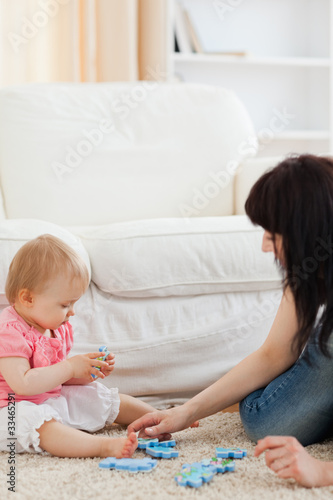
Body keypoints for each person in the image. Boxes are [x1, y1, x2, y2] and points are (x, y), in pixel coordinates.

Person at [128, 154, 333, 487]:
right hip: (282, 391)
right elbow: (274, 354)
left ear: (307, 231)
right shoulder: (308, 268)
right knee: (265, 418)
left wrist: (323, 472)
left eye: (274, 233)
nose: (266, 246)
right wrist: (185, 412)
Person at [0, 234, 157, 458]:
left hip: (50, 398)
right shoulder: (8, 331)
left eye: (74, 303)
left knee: (99, 397)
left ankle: (159, 418)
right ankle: (102, 447)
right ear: (27, 298)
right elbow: (23, 385)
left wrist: (88, 372)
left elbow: (59, 377)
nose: (72, 312)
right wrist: (71, 367)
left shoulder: (56, 326)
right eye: (65, 304)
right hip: (11, 409)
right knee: (40, 427)